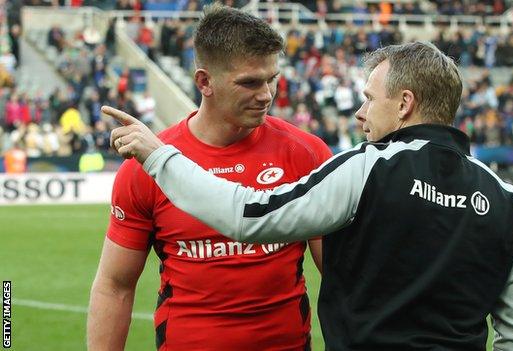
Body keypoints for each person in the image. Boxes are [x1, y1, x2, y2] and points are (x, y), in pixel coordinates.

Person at [105, 41, 513, 350]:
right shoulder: (506, 200)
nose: (360, 112)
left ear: (404, 104)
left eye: (370, 99)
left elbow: (248, 216)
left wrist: (159, 156)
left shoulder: (368, 166)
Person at [87, 5, 331, 351]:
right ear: (204, 82)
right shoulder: (146, 166)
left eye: (271, 79)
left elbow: (340, 278)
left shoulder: (306, 154)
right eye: (249, 82)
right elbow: (115, 285)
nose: (265, 95)